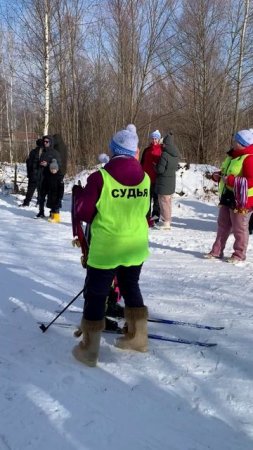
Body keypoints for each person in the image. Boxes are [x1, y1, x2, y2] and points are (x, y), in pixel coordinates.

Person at [72, 124, 150, 367]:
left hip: (107, 247)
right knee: (130, 286)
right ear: (134, 152)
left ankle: (89, 350)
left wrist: (82, 195)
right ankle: (137, 339)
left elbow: (84, 213)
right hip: (135, 245)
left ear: (114, 151)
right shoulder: (145, 177)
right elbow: (146, 211)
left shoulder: (101, 177)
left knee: (96, 294)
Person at [205, 129, 253, 263]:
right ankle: (217, 251)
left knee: (240, 228)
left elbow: (251, 180)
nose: (233, 142)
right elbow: (226, 171)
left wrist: (231, 181)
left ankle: (239, 254)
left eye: (236, 141)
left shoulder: (249, 158)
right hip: (227, 195)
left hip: (242, 200)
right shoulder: (232, 156)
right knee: (223, 224)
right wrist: (218, 175)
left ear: (242, 143)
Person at [154, 132, 179, 230]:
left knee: (163, 202)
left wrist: (155, 166)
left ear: (166, 144)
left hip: (164, 182)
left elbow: (160, 169)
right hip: (171, 181)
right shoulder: (175, 154)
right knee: (168, 202)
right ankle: (167, 220)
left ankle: (166, 223)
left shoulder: (164, 154)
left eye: (163, 143)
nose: (162, 145)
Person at [36, 135, 62, 218]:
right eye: (44, 141)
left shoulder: (55, 153)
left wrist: (48, 165)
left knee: (53, 196)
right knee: (41, 195)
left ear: (50, 142)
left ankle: (54, 212)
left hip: (51, 178)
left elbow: (59, 165)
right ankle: (41, 212)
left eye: (47, 141)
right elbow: (38, 163)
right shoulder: (42, 152)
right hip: (42, 176)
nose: (45, 143)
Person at [140, 130, 163, 225]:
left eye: (156, 138)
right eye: (153, 138)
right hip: (146, 179)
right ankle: (147, 217)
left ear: (158, 139)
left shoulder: (161, 150)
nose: (154, 140)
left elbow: (163, 164)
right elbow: (141, 163)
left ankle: (155, 218)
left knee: (156, 200)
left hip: (157, 179)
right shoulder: (146, 150)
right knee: (146, 199)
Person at [19, 138, 44, 207]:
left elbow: (29, 164)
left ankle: (26, 203)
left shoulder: (33, 152)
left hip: (33, 174)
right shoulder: (46, 152)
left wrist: (29, 173)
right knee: (40, 189)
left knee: (30, 189)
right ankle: (39, 202)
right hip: (41, 174)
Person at [41, 158, 64, 223]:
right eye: (51, 169)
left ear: (57, 169)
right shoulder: (49, 176)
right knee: (52, 206)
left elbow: (61, 188)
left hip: (57, 195)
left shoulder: (59, 177)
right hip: (50, 194)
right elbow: (47, 185)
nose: (53, 170)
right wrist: (45, 191)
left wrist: (60, 197)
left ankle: (56, 218)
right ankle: (52, 216)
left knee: (56, 206)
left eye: (54, 169)